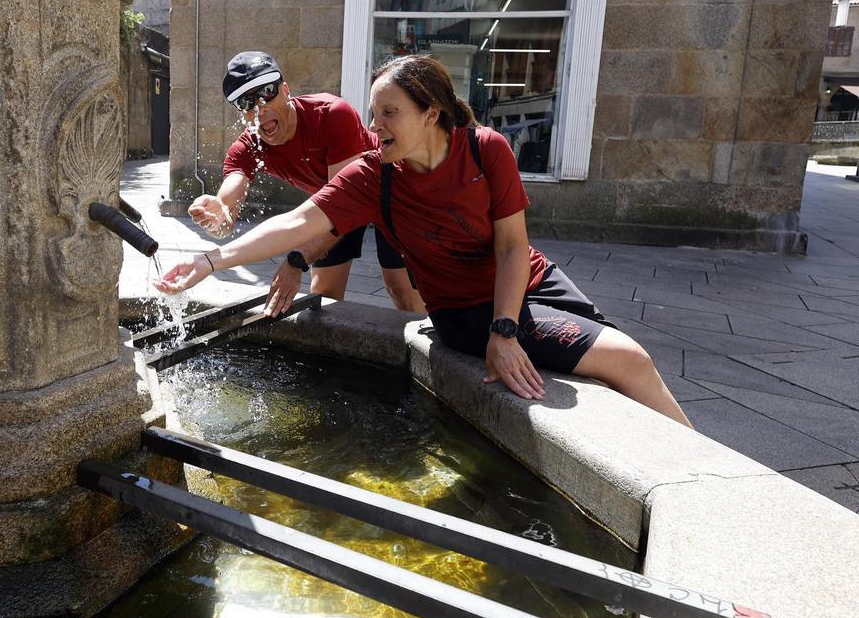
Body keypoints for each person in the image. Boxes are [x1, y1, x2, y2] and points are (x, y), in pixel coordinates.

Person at [162, 54, 692, 427]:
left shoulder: (487, 149)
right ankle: (704, 488)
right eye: (374, 113)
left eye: (388, 113)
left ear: (431, 113)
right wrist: (212, 260)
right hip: (466, 309)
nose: (374, 126)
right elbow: (300, 223)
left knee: (621, 362)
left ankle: (690, 471)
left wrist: (506, 332)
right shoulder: (373, 174)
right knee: (629, 360)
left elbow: (512, 247)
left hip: (532, 280)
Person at [188, 51, 425, 316]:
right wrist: (219, 212)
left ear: (286, 91)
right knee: (323, 296)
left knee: (402, 292)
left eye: (267, 92)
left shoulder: (332, 114)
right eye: (246, 102)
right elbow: (228, 202)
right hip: (335, 202)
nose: (260, 107)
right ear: (240, 114)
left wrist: (296, 259)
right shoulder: (247, 148)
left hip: (390, 193)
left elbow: (343, 205)